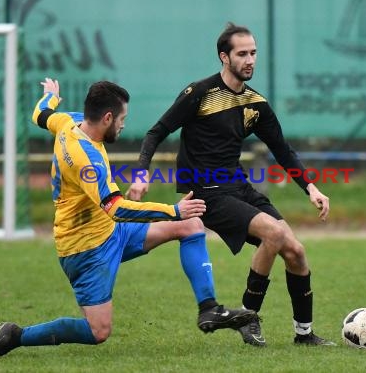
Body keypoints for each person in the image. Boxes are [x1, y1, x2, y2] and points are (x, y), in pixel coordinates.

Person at [0, 78, 256, 357]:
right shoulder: (86, 159)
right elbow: (115, 208)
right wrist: (173, 210)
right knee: (98, 332)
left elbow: (41, 113)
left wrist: (50, 96)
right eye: (122, 118)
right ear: (108, 117)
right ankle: (17, 335)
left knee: (191, 226)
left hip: (111, 232)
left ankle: (209, 309)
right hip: (85, 249)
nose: (124, 125)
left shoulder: (69, 122)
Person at [126, 23, 335, 347]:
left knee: (296, 252)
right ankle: (248, 319)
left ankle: (304, 335)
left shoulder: (255, 103)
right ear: (224, 57)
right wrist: (141, 175)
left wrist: (312, 188)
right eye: (242, 53)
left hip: (237, 186)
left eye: (253, 52)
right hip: (206, 192)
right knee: (275, 233)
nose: (250, 59)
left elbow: (282, 150)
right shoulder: (199, 93)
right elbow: (156, 132)